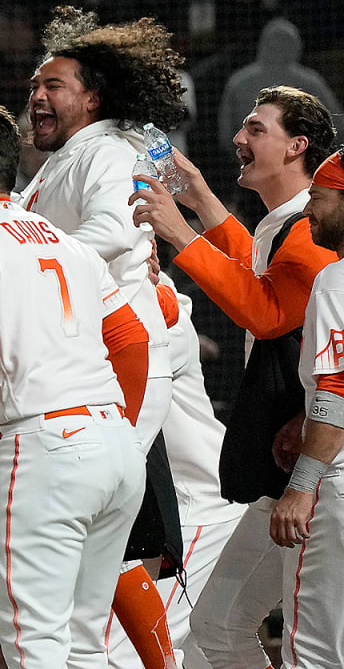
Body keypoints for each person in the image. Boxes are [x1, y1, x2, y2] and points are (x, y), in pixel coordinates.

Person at [0, 102, 151, 669]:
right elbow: (133, 340)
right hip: (114, 447)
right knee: (86, 646)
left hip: (45, 450)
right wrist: (116, 428)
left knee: (34, 649)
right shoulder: (63, 240)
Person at [128, 85, 338, 669]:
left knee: (312, 649)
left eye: (256, 128)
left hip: (318, 467)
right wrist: (197, 196)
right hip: (294, 468)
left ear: (298, 145)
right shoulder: (287, 224)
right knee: (218, 625)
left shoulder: (318, 236)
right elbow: (257, 267)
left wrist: (180, 233)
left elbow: (268, 311)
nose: (239, 139)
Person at [19, 6, 188, 665]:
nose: (36, 96)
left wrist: (17, 278)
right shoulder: (61, 163)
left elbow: (111, 234)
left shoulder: (108, 147)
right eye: (33, 86)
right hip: (88, 364)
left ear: (92, 97)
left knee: (75, 564)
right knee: (80, 571)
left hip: (124, 362)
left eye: (52, 85)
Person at [107, 267, 245, 669]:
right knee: (209, 650)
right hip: (180, 513)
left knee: (124, 651)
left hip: (203, 506)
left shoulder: (162, 316)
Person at [271, 152, 344, 667]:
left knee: (315, 653)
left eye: (318, 198)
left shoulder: (336, 280)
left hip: (337, 487)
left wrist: (300, 488)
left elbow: (337, 389)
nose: (308, 212)